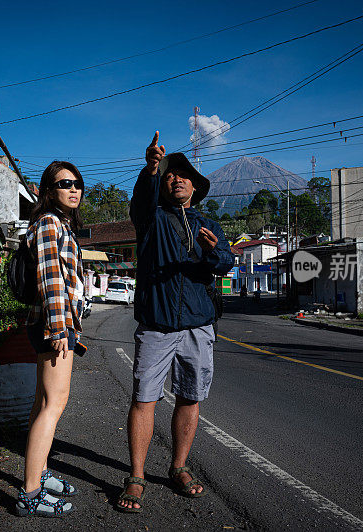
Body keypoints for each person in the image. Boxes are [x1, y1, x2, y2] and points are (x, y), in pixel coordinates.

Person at [117, 132, 234, 512]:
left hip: (199, 324)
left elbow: (225, 263)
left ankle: (179, 467)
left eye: (184, 175)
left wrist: (214, 253)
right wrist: (151, 167)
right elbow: (142, 199)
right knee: (144, 398)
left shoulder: (208, 225)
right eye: (170, 175)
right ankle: (136, 477)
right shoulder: (150, 218)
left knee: (190, 397)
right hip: (157, 323)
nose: (177, 179)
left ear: (195, 186)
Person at [15, 161, 85, 518]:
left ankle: (39, 474)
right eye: (65, 183)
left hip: (52, 322)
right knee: (54, 405)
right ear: (48, 190)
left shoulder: (62, 225)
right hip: (52, 323)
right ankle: (30, 493)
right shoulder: (49, 223)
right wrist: (59, 328)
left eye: (78, 184)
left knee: (44, 401)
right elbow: (51, 280)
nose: (74, 189)